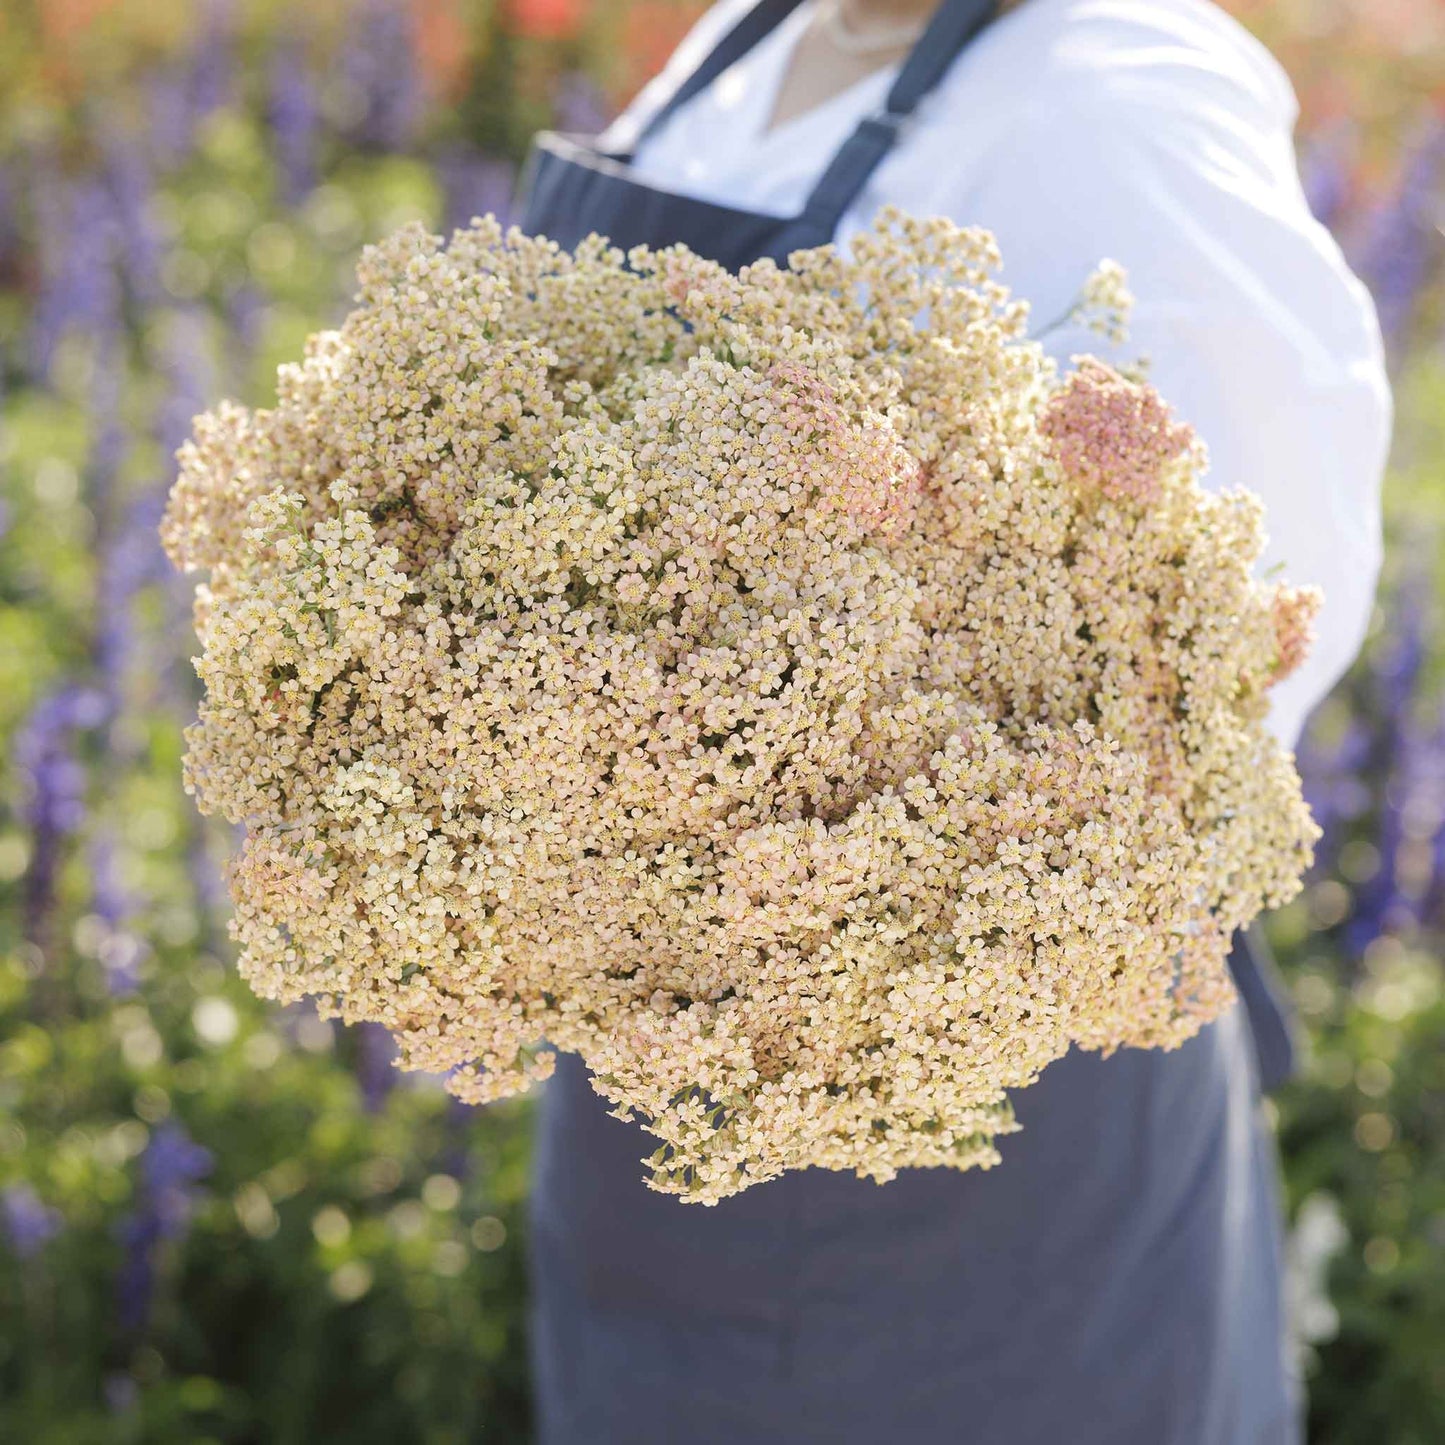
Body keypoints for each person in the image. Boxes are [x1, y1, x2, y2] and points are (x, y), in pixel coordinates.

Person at [516, 2, 1392, 1441]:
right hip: (650, 1106)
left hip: (972, 1141)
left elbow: (1253, 607)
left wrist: (853, 851)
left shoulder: (1117, 93)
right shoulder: (748, 39)